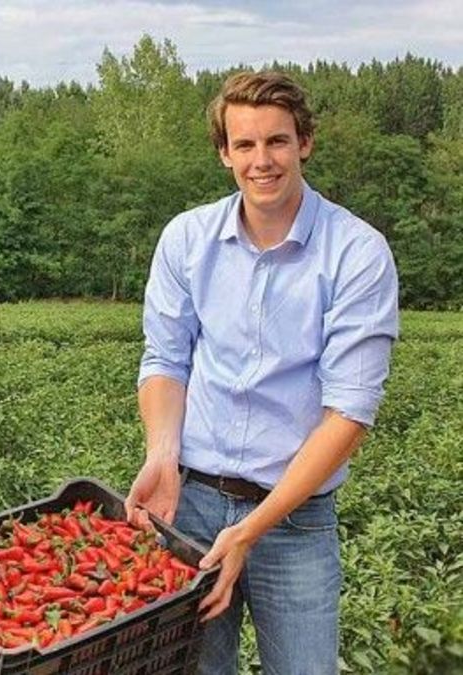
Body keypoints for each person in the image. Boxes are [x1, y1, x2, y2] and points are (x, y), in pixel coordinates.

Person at [125, 70, 398, 674]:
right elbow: (166, 360)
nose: (262, 160)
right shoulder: (187, 239)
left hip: (295, 520)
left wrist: (252, 530)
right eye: (244, 145)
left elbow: (349, 412)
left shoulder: (356, 253)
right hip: (190, 507)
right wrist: (162, 453)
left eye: (277, 141)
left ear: (305, 143)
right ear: (224, 153)